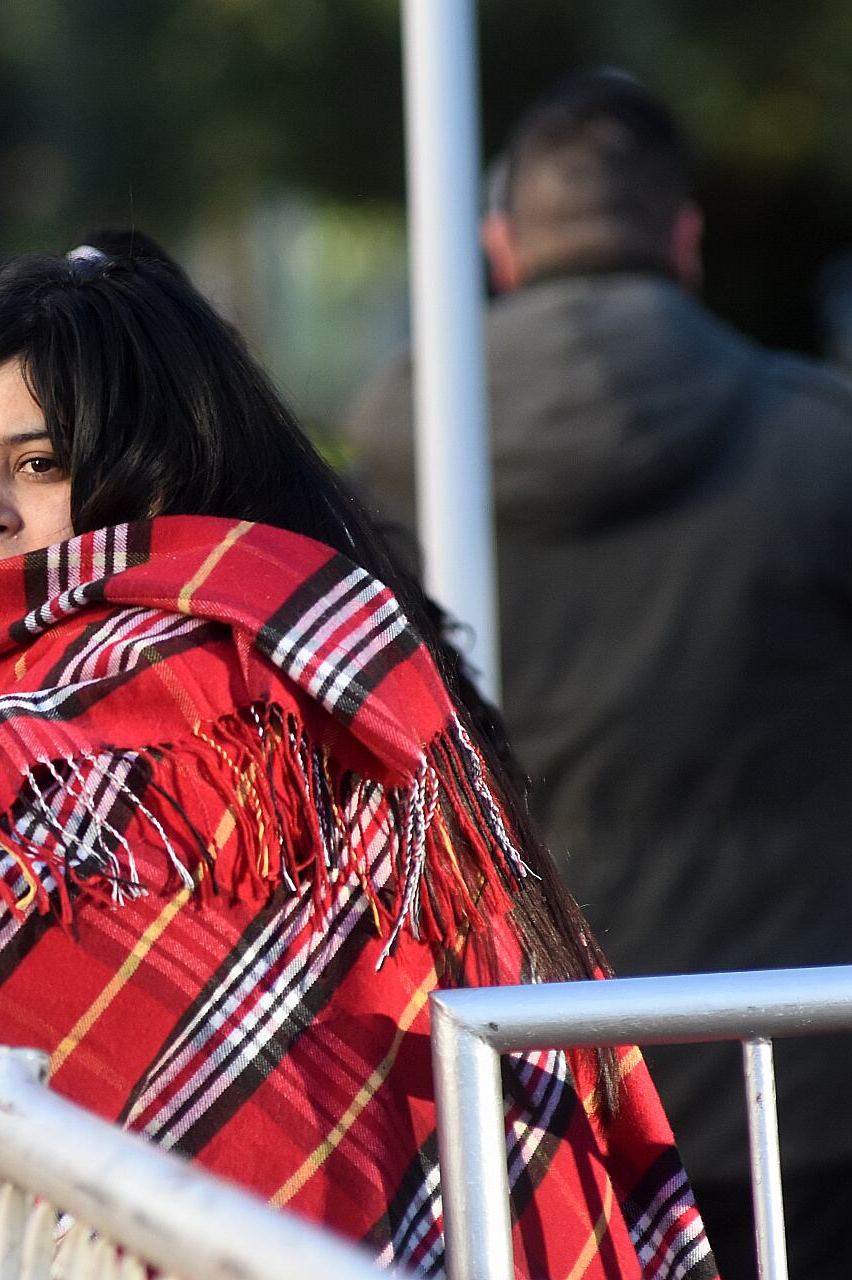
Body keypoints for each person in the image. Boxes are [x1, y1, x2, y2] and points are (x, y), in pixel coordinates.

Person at [0, 249, 715, 1278]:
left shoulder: (209, 677)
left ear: (153, 473)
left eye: (42, 464)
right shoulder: (159, 666)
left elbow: (25, 937)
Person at [343, 71, 852, 1280]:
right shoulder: (821, 449)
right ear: (684, 239)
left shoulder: (385, 469)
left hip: (519, 1083)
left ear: (501, 245)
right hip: (807, 1084)